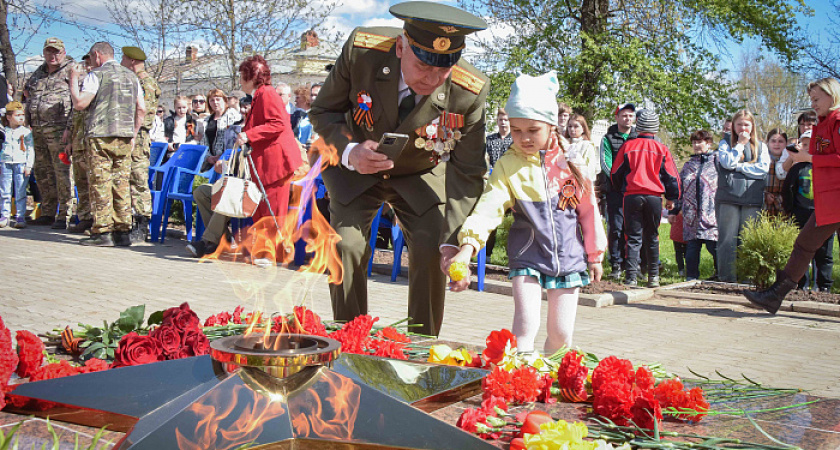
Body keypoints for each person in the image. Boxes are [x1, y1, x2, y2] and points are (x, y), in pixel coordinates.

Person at [309, 2, 489, 337]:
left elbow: (468, 172)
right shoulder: (362, 52)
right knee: (345, 246)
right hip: (356, 167)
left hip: (420, 173)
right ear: (401, 47)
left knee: (432, 248)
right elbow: (323, 112)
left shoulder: (469, 91)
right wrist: (349, 151)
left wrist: (454, 241)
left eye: (443, 70)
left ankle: (420, 347)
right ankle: (351, 342)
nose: (432, 79)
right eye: (423, 65)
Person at [449, 71, 606, 353]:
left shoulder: (573, 162)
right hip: (527, 256)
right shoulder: (508, 165)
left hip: (569, 258)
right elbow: (487, 209)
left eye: (533, 130)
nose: (524, 138)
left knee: (561, 335)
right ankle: (519, 375)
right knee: (525, 326)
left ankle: (550, 375)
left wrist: (594, 254)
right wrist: (467, 248)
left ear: (551, 125)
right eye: (516, 130)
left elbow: (589, 212)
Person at [188, 55, 302, 263]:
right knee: (264, 208)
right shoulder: (261, 95)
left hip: (276, 162)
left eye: (242, 76)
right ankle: (261, 250)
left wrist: (249, 135)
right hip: (267, 163)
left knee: (272, 208)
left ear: (252, 77)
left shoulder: (266, 93)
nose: (240, 80)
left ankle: (272, 254)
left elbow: (277, 124)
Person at [745, 78, 840, 312]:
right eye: (811, 99)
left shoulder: (838, 121)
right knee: (804, 245)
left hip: (836, 198)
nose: (813, 104)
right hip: (829, 199)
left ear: (832, 95)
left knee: (805, 245)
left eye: (816, 99)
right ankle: (775, 295)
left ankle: (774, 295)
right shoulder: (823, 123)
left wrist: (809, 158)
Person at [68, 41, 145, 247]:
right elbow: (141, 108)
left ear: (97, 55)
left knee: (100, 182)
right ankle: (123, 231)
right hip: (124, 136)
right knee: (121, 183)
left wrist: (73, 79)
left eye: (92, 58)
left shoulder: (96, 75)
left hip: (100, 136)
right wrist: (134, 133)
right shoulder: (132, 76)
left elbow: (80, 103)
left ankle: (103, 232)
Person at [610, 109, 680, 287]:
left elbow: (615, 172)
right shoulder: (662, 149)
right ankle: (653, 276)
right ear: (655, 129)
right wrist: (672, 198)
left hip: (632, 195)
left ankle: (631, 277)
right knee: (652, 236)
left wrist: (620, 188)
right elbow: (672, 177)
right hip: (654, 197)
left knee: (633, 237)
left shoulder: (628, 146)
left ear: (638, 127)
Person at [23, 37, 75, 229]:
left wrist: (70, 129)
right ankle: (47, 212)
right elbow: (28, 94)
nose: (52, 55)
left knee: (62, 173)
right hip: (38, 131)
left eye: (56, 51)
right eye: (49, 51)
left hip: (60, 132)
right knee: (42, 172)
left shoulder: (72, 71)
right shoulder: (39, 72)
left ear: (63, 52)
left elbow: (78, 104)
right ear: (44, 53)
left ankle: (64, 215)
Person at [715, 109, 769, 282]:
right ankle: (727, 279)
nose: (743, 128)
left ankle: (748, 279)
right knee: (727, 240)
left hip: (752, 199)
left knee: (748, 240)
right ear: (733, 126)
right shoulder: (725, 143)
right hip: (728, 198)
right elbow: (727, 162)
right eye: (739, 124)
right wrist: (739, 145)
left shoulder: (761, 146)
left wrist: (739, 167)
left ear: (752, 126)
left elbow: (762, 170)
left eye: (746, 124)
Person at [779, 130, 834, 292]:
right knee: (801, 250)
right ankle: (800, 283)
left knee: (824, 253)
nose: (807, 147)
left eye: (811, 144)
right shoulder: (797, 168)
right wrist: (790, 210)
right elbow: (787, 189)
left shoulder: (826, 168)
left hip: (823, 215)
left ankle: (824, 286)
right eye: (803, 144)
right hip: (801, 214)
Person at [121, 46, 161, 243]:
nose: (121, 62)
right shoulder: (133, 80)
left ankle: (141, 224)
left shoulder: (145, 83)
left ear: (131, 61)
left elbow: (143, 113)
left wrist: (133, 133)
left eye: (123, 58)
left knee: (137, 179)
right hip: (129, 134)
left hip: (138, 136)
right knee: (126, 179)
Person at [599, 103, 636, 279]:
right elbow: (606, 164)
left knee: (634, 229)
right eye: (624, 115)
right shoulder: (608, 138)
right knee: (616, 228)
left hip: (634, 190)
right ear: (617, 117)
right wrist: (619, 180)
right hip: (615, 190)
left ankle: (634, 265)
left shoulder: (638, 137)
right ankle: (616, 264)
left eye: (630, 115)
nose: (627, 119)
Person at [677, 130, 719, 281]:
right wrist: (676, 209)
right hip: (691, 214)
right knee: (692, 248)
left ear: (708, 143)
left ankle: (721, 275)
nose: (696, 145)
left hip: (711, 212)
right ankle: (691, 277)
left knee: (713, 246)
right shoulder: (688, 165)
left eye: (699, 142)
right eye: (694, 142)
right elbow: (679, 187)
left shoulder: (716, 162)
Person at [66, 55, 93, 234]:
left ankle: (98, 221)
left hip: (93, 143)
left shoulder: (99, 84)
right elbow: (74, 113)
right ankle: (84, 218)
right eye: (86, 64)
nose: (88, 67)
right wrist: (70, 139)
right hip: (78, 142)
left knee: (95, 184)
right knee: (81, 183)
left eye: (90, 63)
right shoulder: (82, 86)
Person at [0, 101, 34, 228]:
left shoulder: (26, 132)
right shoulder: (3, 131)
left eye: (22, 115)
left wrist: (29, 165)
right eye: (17, 115)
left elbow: (30, 149)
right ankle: (5, 215)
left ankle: (20, 216)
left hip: (21, 163)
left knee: (20, 191)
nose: (21, 118)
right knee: (5, 191)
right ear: (9, 117)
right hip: (5, 163)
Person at [199, 88, 242, 170]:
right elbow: (203, 141)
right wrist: (208, 157)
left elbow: (234, 139)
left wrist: (223, 156)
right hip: (210, 162)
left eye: (218, 99)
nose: (215, 102)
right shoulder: (206, 120)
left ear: (224, 100)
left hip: (229, 160)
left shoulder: (234, 115)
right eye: (212, 100)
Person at [776, 111, 817, 179]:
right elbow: (780, 174)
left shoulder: (823, 146)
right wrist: (793, 154)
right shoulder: (791, 146)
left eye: (809, 124)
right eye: (802, 124)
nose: (805, 127)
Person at [565, 113, 599, 181]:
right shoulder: (563, 143)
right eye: (570, 126)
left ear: (583, 128)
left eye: (576, 126)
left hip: (581, 181)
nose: (572, 129)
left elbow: (590, 169)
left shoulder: (587, 146)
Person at [763, 128, 787, 217]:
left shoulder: (790, 159)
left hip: (783, 205)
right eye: (773, 141)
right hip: (764, 205)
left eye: (780, 141)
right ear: (768, 143)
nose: (777, 144)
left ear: (786, 144)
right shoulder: (762, 159)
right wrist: (764, 195)